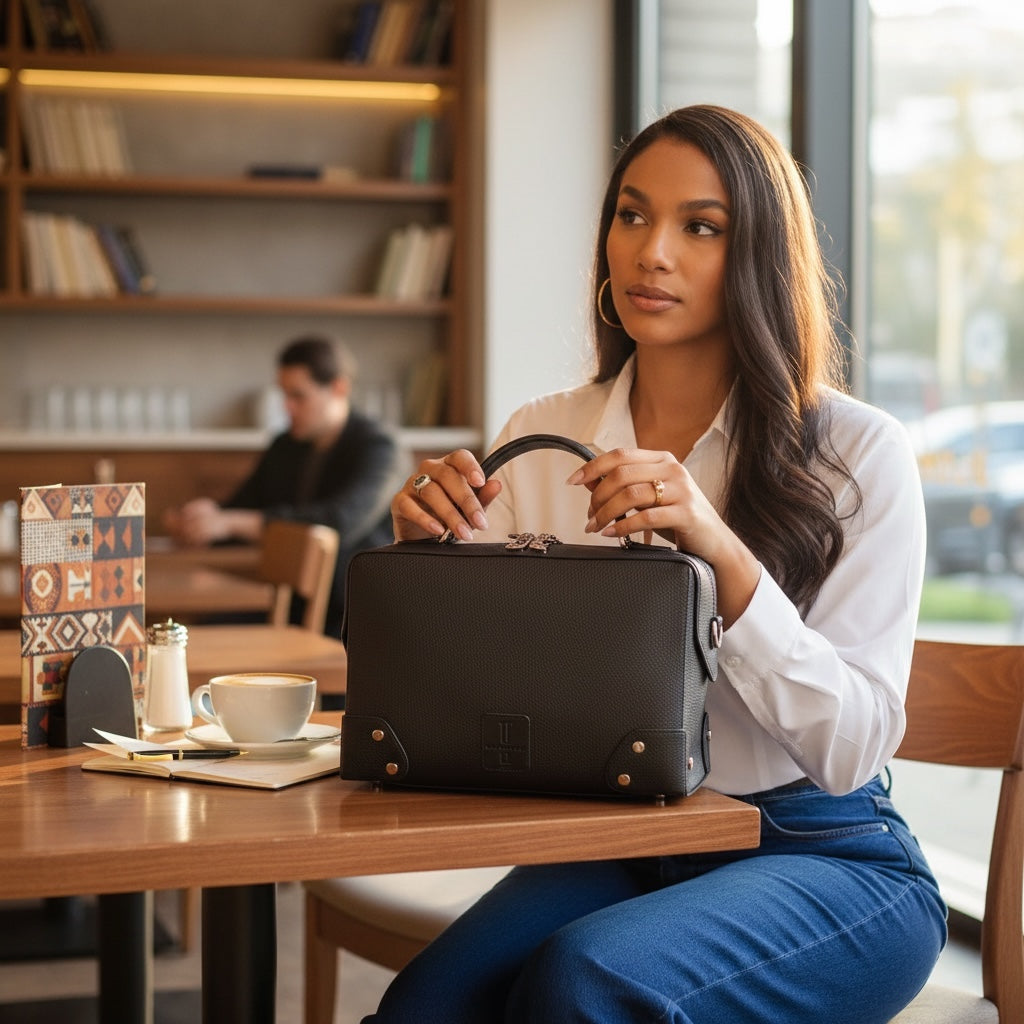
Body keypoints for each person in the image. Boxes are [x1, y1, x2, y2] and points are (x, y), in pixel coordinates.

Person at [369, 105, 946, 1023]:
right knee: (423, 1010)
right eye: (632, 215)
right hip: (624, 841)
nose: (651, 252)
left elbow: (854, 748)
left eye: (700, 227)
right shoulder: (540, 438)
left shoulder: (856, 453)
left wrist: (714, 547)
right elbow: (483, 702)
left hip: (824, 853)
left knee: (587, 981)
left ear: (757, 256)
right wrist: (428, 563)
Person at [164, 335, 407, 637]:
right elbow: (242, 510)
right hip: (291, 605)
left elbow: (338, 523)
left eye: (298, 396)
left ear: (339, 388)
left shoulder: (380, 448)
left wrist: (228, 522)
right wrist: (202, 519)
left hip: (356, 614)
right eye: (284, 395)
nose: (286, 408)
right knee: (192, 635)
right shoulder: (286, 446)